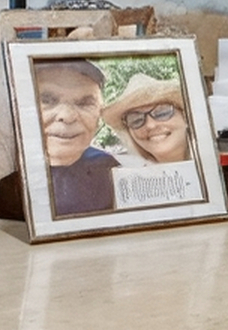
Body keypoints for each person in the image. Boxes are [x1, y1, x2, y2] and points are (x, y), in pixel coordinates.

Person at [31, 57, 117, 216]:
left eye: (84, 103)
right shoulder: (14, 175)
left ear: (100, 115)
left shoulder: (110, 170)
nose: (67, 116)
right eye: (47, 100)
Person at [103, 70, 194, 166]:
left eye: (162, 113)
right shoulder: (129, 177)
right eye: (136, 120)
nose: (150, 125)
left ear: (185, 116)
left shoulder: (210, 160)